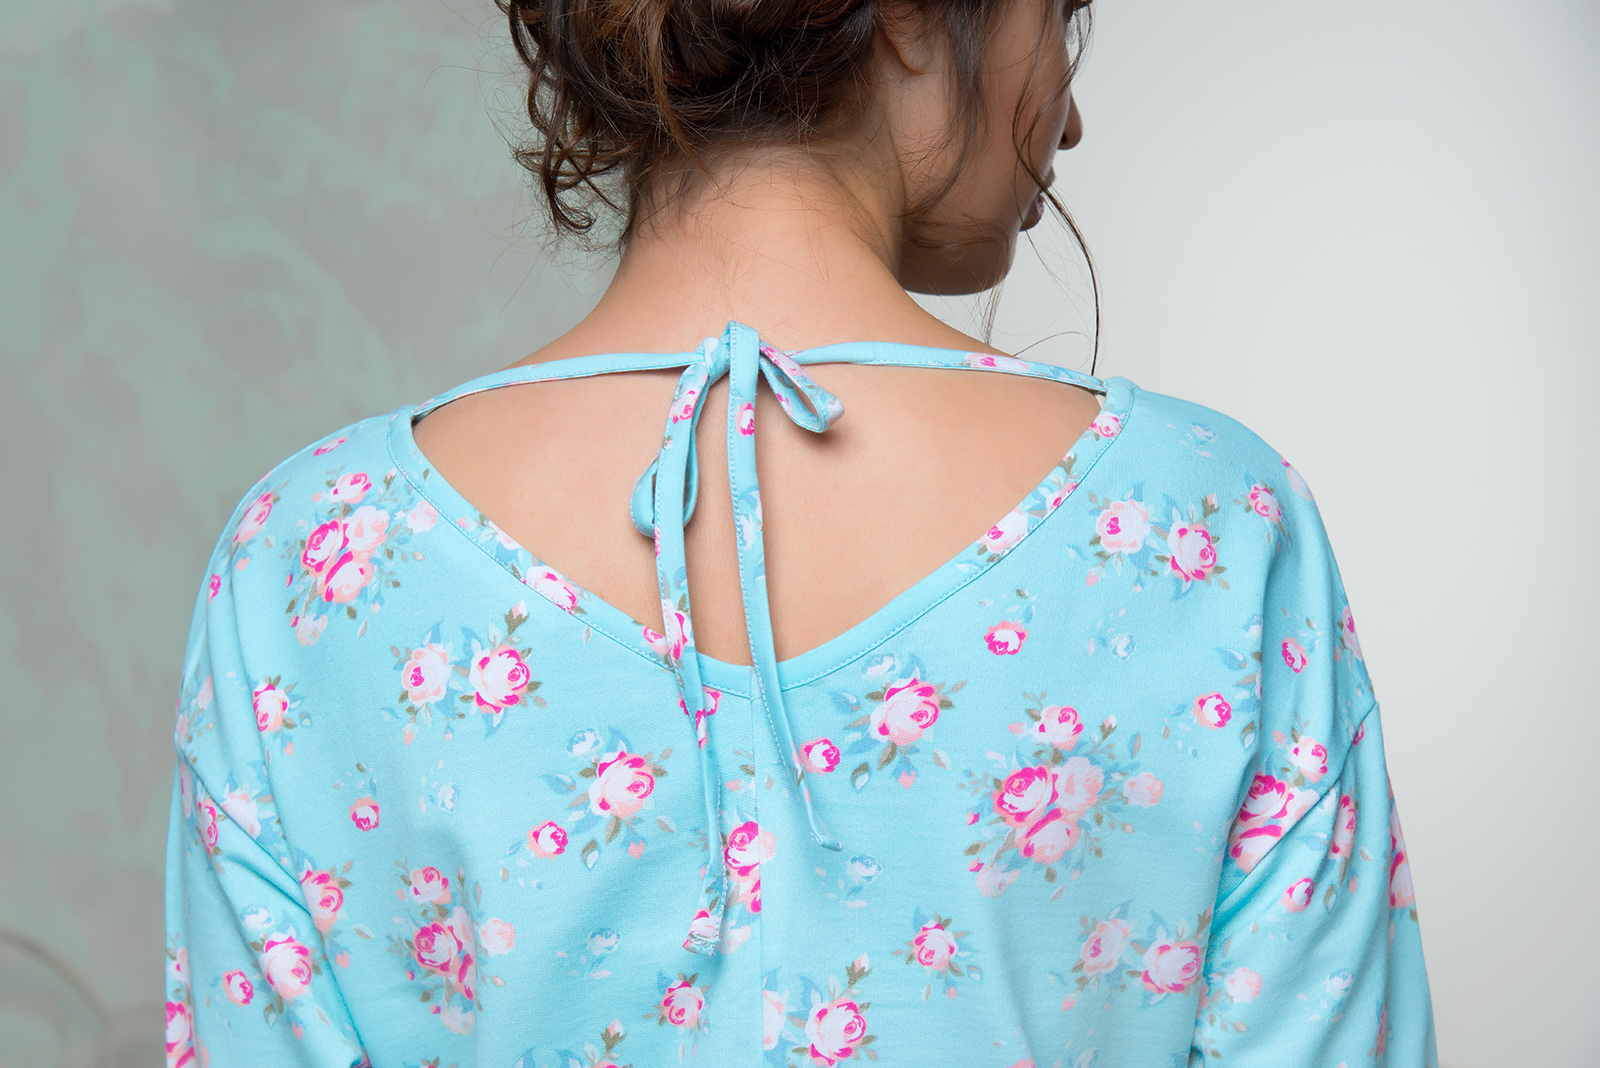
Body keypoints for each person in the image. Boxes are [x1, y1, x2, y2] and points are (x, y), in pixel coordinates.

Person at [162, 0, 1437, 1065]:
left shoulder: (308, 560)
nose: (1069, 115)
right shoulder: (1207, 523)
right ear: (909, 16)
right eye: (1063, 13)